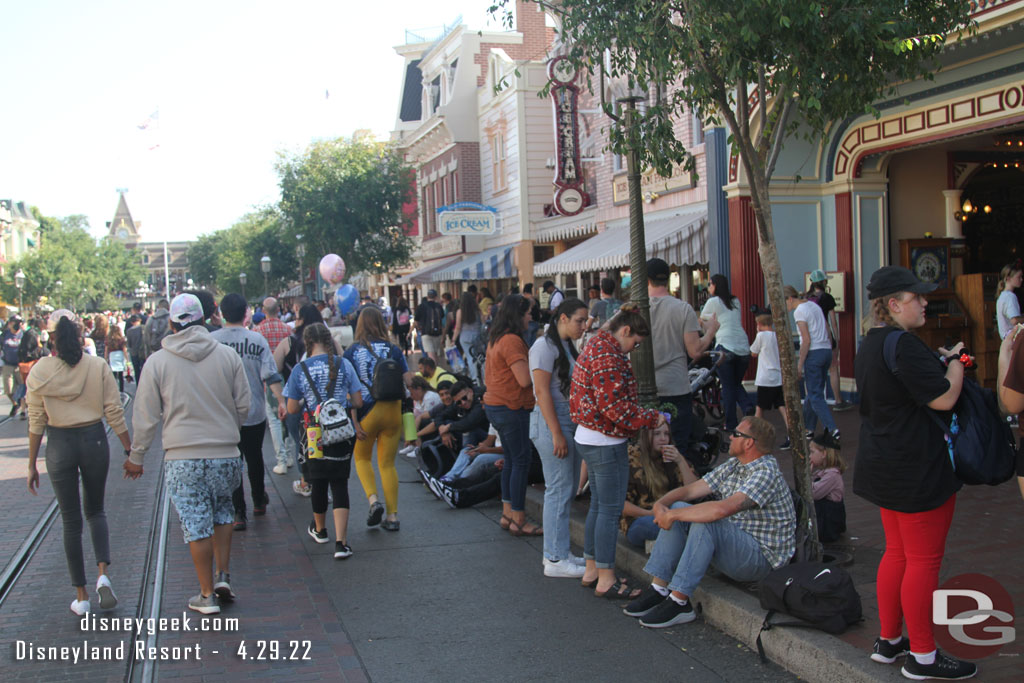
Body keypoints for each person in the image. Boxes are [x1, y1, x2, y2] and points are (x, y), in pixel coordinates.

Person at [853, 265, 975, 680]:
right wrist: (956, 363)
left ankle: (889, 643)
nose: (924, 302)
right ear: (893, 304)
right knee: (923, 560)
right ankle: (923, 656)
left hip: (886, 465)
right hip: (917, 469)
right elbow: (943, 400)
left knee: (898, 554)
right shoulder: (904, 345)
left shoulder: (870, 343)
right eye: (916, 297)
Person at [127, 294, 251, 614]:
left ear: (171, 323)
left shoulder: (158, 362)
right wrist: (227, 428)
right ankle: (223, 575)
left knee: (197, 523)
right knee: (223, 512)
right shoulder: (227, 356)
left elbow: (145, 415)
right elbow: (244, 405)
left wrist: (137, 456)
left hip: (183, 456)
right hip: (225, 453)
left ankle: (206, 594)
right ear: (205, 318)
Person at [624, 416, 795, 627]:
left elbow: (722, 509)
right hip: (736, 545)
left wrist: (673, 515)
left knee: (707, 520)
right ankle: (659, 588)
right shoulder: (736, 464)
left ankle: (679, 602)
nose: (730, 437)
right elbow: (691, 490)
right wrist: (662, 505)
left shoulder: (765, 473)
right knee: (679, 507)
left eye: (736, 434)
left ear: (749, 442)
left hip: (760, 559)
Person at [26, 310, 132, 617]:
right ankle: (103, 573)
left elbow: (36, 421)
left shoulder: (39, 371)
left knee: (70, 521)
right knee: (96, 510)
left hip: (59, 443)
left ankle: (81, 595)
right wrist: (130, 450)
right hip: (94, 439)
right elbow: (114, 411)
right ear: (80, 334)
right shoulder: (96, 366)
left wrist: (32, 463)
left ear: (52, 338)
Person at [570, 303, 666, 598]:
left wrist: (625, 311)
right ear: (625, 331)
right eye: (635, 342)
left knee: (598, 506)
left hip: (588, 436)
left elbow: (608, 326)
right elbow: (613, 407)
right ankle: (606, 578)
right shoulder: (609, 356)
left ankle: (592, 569)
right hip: (605, 441)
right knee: (609, 511)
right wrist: (653, 418)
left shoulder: (599, 340)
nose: (633, 349)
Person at [284, 322, 363, 560]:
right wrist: (341, 399)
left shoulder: (300, 368)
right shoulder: (343, 364)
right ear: (329, 340)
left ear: (307, 343)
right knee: (339, 483)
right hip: (340, 432)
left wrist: (307, 401)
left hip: (314, 433)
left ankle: (320, 530)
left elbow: (291, 408)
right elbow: (358, 401)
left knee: (317, 481)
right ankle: (341, 543)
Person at [212, 294, 286, 531]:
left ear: (222, 313)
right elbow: (270, 374)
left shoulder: (212, 342)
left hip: (223, 414)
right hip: (253, 410)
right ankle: (258, 500)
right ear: (246, 312)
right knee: (254, 457)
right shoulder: (257, 340)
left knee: (232, 462)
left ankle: (238, 512)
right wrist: (281, 400)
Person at [530, 298, 589, 578]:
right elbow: (541, 393)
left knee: (565, 490)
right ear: (563, 318)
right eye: (579, 320)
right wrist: (556, 433)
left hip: (566, 421)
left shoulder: (562, 345)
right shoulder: (544, 346)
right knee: (559, 489)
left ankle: (559, 552)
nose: (583, 325)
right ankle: (554, 557)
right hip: (552, 422)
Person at [481, 294, 542, 537]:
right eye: (528, 312)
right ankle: (518, 518)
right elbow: (525, 380)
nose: (531, 316)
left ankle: (508, 514)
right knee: (521, 462)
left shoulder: (497, 338)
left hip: (496, 406)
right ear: (517, 314)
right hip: (511, 407)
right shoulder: (512, 341)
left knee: (511, 461)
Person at [344, 307, 409, 531]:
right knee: (388, 464)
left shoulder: (352, 351)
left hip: (366, 412)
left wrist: (353, 420)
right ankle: (392, 516)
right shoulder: (394, 349)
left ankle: (374, 501)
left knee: (362, 458)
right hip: (392, 410)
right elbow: (407, 381)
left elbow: (349, 389)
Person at [647, 258, 719, 455]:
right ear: (668, 279)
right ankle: (677, 484)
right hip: (675, 387)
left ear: (646, 280)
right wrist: (711, 331)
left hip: (643, 389)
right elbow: (695, 351)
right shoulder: (682, 308)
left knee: (647, 448)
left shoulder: (634, 308)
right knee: (676, 447)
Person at [274, 303, 325, 497]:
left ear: (301, 319)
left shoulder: (290, 341)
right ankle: (322, 481)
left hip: (297, 401)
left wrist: (280, 397)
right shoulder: (330, 344)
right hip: (327, 404)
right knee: (325, 443)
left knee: (302, 442)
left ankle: (306, 480)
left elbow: (274, 367)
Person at [622, 422, 699, 549]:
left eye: (666, 434)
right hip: (640, 518)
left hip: (672, 514)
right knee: (673, 528)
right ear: (646, 436)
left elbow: (694, 491)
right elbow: (620, 504)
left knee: (687, 525)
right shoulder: (632, 458)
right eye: (657, 434)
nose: (663, 438)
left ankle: (662, 545)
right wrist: (651, 513)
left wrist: (680, 461)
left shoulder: (671, 457)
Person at [701, 274, 755, 431]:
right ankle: (747, 406)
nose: (709, 287)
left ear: (715, 285)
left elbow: (702, 321)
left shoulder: (713, 302)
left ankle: (731, 423)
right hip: (743, 347)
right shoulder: (735, 301)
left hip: (725, 345)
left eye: (710, 284)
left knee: (728, 386)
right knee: (735, 384)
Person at [785, 285, 839, 441]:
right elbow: (827, 329)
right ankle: (809, 428)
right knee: (814, 391)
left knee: (815, 395)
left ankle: (832, 428)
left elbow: (806, 340)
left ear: (790, 299)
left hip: (814, 353)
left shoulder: (799, 312)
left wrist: (800, 365)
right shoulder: (813, 305)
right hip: (825, 350)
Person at [255, 297, 295, 476]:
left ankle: (281, 460)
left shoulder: (258, 331)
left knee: (274, 420)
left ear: (264, 311)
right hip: (287, 380)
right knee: (288, 417)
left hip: (268, 382)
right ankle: (290, 455)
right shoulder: (288, 329)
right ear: (278, 310)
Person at [807, 270, 852, 411]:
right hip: (826, 337)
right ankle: (838, 400)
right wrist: (836, 340)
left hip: (811, 337)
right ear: (824, 282)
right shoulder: (827, 298)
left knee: (813, 370)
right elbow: (833, 321)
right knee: (833, 368)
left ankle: (814, 401)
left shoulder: (807, 298)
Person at [750, 314, 790, 449]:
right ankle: (791, 433)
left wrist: (757, 334)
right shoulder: (777, 335)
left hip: (765, 378)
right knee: (782, 407)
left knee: (760, 408)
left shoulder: (761, 336)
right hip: (778, 377)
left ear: (759, 324)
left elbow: (753, 352)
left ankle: (754, 436)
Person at [810, 432, 846, 543]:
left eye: (812, 452)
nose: (810, 456)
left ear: (824, 454)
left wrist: (806, 475)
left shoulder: (832, 475)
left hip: (829, 523)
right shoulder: (824, 472)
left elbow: (814, 494)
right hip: (827, 518)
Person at [452, 291, 483, 386]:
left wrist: (453, 339)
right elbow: (482, 322)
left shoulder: (460, 311)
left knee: (470, 358)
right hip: (478, 336)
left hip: (465, 337)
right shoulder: (477, 310)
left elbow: (458, 327)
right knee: (479, 357)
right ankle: (481, 376)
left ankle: (474, 378)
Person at [414, 289, 445, 363]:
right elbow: (442, 317)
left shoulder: (421, 306)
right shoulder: (438, 306)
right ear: (436, 297)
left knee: (430, 355)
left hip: (426, 333)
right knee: (435, 354)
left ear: (427, 296)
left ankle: (434, 371)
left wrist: (419, 329)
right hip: (437, 333)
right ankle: (436, 369)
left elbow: (416, 320)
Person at [995, 261, 1024, 339]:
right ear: (1008, 279)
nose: (1021, 279)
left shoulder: (1002, 296)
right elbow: (1014, 320)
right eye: (1019, 277)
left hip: (1006, 339)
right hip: (1013, 339)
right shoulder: (1010, 296)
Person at [2, 316, 24, 415]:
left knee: (23, 387)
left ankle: (23, 410)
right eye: (15, 322)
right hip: (8, 364)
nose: (17, 325)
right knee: (8, 389)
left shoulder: (23, 335)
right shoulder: (5, 335)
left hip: (20, 365)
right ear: (10, 323)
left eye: (19, 322)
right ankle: (15, 403)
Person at [104, 325, 128, 393]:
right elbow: (124, 350)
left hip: (112, 355)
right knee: (121, 375)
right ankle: (121, 390)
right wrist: (127, 360)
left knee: (113, 374)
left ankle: (114, 389)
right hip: (120, 354)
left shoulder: (108, 339)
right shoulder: (121, 339)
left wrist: (106, 358)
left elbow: (106, 350)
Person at [125, 314, 145, 381]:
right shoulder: (144, 328)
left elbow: (129, 344)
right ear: (140, 320)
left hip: (134, 353)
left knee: (136, 371)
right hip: (143, 352)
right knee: (144, 369)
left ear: (131, 322)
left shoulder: (129, 331)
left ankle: (138, 386)